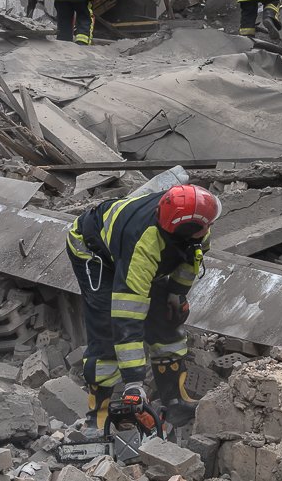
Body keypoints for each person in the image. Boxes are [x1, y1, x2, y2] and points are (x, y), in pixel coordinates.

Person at [66, 184, 221, 430]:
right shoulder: (145, 246)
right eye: (207, 224)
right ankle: (100, 416)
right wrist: (134, 383)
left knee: (166, 321)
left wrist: (176, 293)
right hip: (94, 253)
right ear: (185, 229)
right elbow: (126, 318)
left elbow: (192, 257)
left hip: (133, 247)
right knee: (107, 329)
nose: (210, 227)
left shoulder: (194, 226)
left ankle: (174, 401)